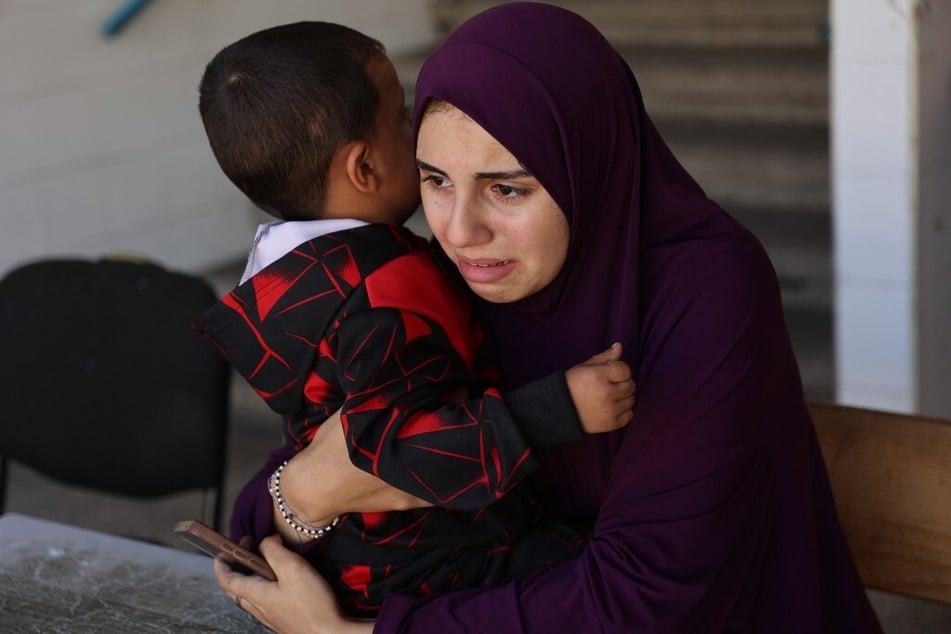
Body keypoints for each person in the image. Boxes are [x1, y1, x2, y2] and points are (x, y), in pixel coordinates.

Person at [215, 4, 884, 632]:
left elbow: (644, 595)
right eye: (436, 181)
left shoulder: (707, 290)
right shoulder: (445, 279)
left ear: (583, 165)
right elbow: (268, 502)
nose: (459, 230)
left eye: (506, 188)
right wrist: (305, 493)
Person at [194, 20, 635, 617]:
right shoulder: (388, 284)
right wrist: (556, 409)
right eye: (403, 116)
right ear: (365, 170)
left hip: (353, 554)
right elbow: (390, 446)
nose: (417, 131)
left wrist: (298, 496)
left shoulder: (287, 276)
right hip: (432, 562)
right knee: (584, 571)